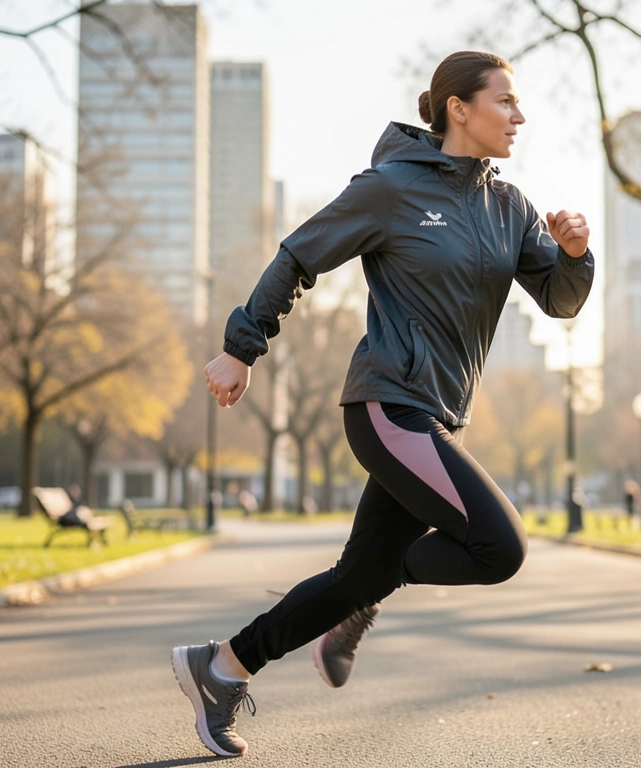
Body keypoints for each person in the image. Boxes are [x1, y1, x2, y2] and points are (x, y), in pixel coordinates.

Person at [171, 50, 594, 758]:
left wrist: (575, 254)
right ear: (459, 108)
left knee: (357, 577)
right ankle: (358, 600)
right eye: (505, 102)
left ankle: (220, 667)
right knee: (499, 547)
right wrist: (241, 347)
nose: (519, 117)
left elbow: (558, 300)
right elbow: (299, 255)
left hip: (434, 417)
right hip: (385, 406)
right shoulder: (392, 188)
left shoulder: (510, 206)